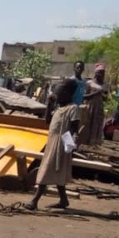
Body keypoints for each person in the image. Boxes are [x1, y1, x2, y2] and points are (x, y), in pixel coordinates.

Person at [25, 79, 80, 211]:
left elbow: (74, 128)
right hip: (51, 142)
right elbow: (48, 122)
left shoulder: (73, 108)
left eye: (59, 93)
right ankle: (63, 199)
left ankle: (34, 200)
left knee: (46, 170)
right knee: (57, 172)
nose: (57, 96)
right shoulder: (58, 108)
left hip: (61, 143)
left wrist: (68, 146)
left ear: (67, 93)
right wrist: (50, 105)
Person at [79, 63, 107, 146]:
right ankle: (84, 143)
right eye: (100, 72)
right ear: (96, 73)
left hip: (99, 108)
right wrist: (95, 94)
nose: (101, 75)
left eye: (103, 73)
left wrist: (104, 95)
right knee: (87, 124)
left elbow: (105, 99)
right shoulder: (89, 83)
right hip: (90, 107)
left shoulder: (104, 85)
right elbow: (83, 96)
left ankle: (94, 144)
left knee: (97, 125)